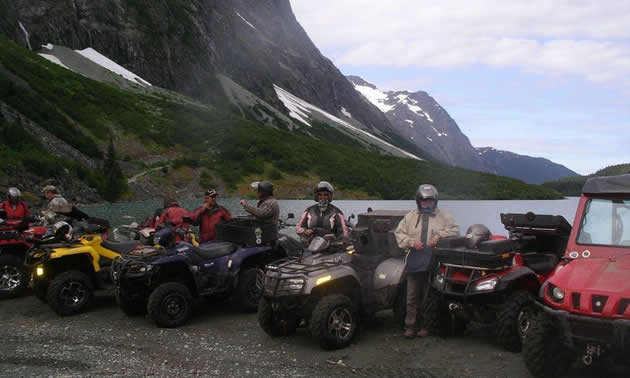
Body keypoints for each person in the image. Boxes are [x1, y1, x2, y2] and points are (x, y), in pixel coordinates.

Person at [395, 183, 459, 339]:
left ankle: (425, 326)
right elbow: (399, 234)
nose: (427, 203)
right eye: (424, 201)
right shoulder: (410, 216)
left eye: (430, 201)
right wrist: (411, 242)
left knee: (428, 296)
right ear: (419, 201)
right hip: (414, 261)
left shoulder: (444, 216)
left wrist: (438, 237)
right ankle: (410, 326)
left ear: (435, 201)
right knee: (411, 296)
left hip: (433, 262)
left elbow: (455, 230)